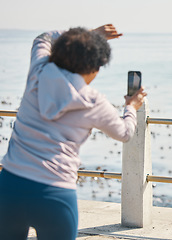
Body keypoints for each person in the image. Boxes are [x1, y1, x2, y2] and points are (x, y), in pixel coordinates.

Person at [0, 24, 147, 240]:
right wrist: (130, 107)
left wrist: (89, 36)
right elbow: (124, 133)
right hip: (55, 195)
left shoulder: (38, 70)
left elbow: (43, 37)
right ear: (94, 68)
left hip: (9, 187)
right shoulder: (94, 101)